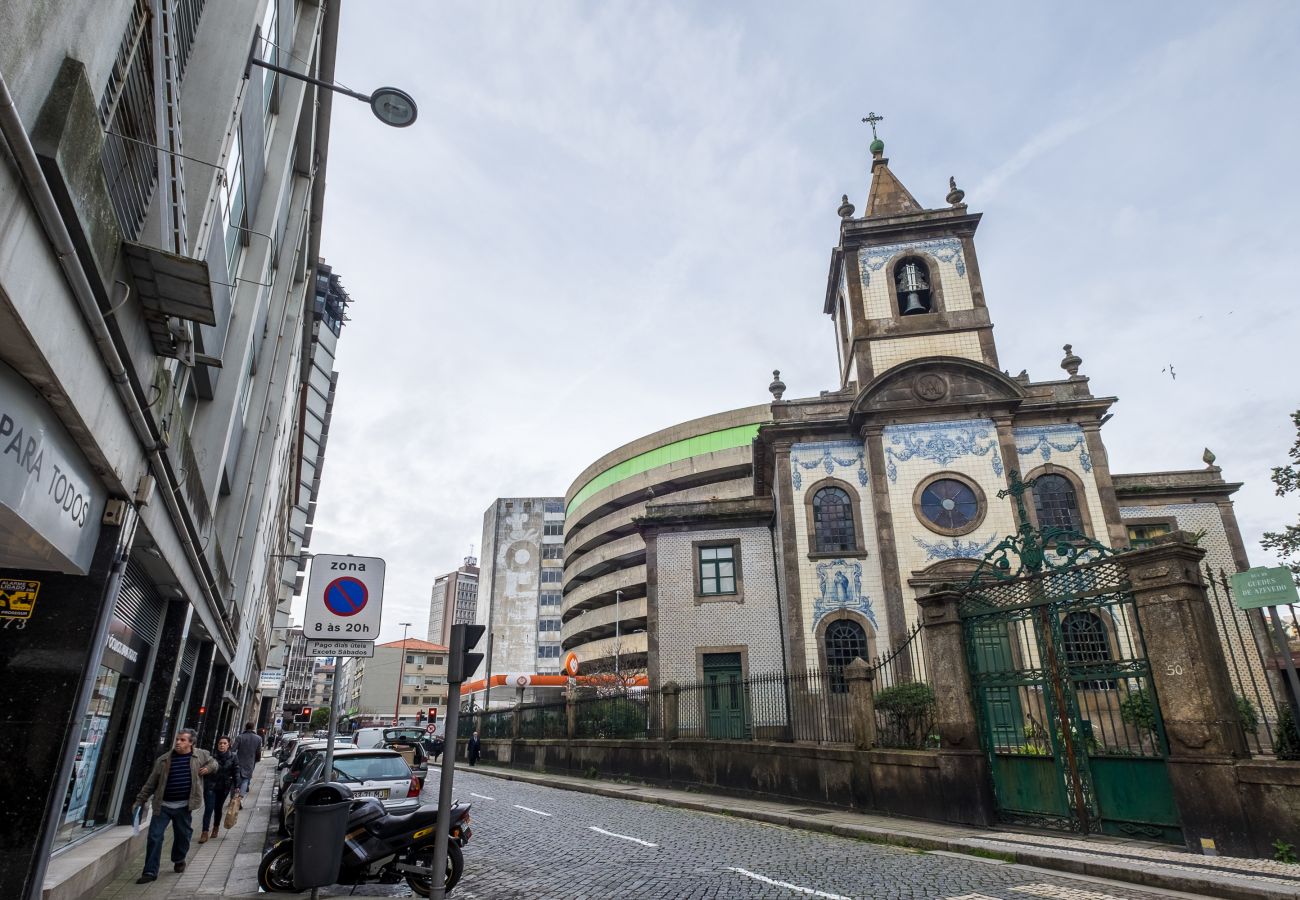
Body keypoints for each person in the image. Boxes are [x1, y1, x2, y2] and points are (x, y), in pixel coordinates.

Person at [133, 728, 216, 884]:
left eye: (182, 740)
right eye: (177, 739)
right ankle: (150, 871)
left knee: (183, 836)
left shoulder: (200, 755)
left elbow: (213, 762)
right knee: (154, 837)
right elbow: (151, 783)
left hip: (184, 806)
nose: (178, 742)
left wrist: (208, 768)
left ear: (191, 743)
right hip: (162, 806)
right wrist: (140, 800)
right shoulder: (164, 760)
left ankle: (179, 858)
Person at [199, 736, 239, 843]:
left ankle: (216, 827)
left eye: (224, 743)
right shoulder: (212, 756)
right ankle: (204, 832)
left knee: (218, 808)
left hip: (224, 787)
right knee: (209, 808)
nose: (222, 745)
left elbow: (236, 772)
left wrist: (237, 786)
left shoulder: (233, 757)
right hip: (211, 786)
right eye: (220, 743)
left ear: (229, 745)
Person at [232, 722, 263, 795]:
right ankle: (240, 798)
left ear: (245, 727)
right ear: (253, 728)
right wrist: (256, 760)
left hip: (239, 761)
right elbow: (258, 751)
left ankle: (233, 798)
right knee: (245, 780)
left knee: (236, 780)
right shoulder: (258, 738)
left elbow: (233, 750)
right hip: (250, 762)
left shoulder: (240, 737)